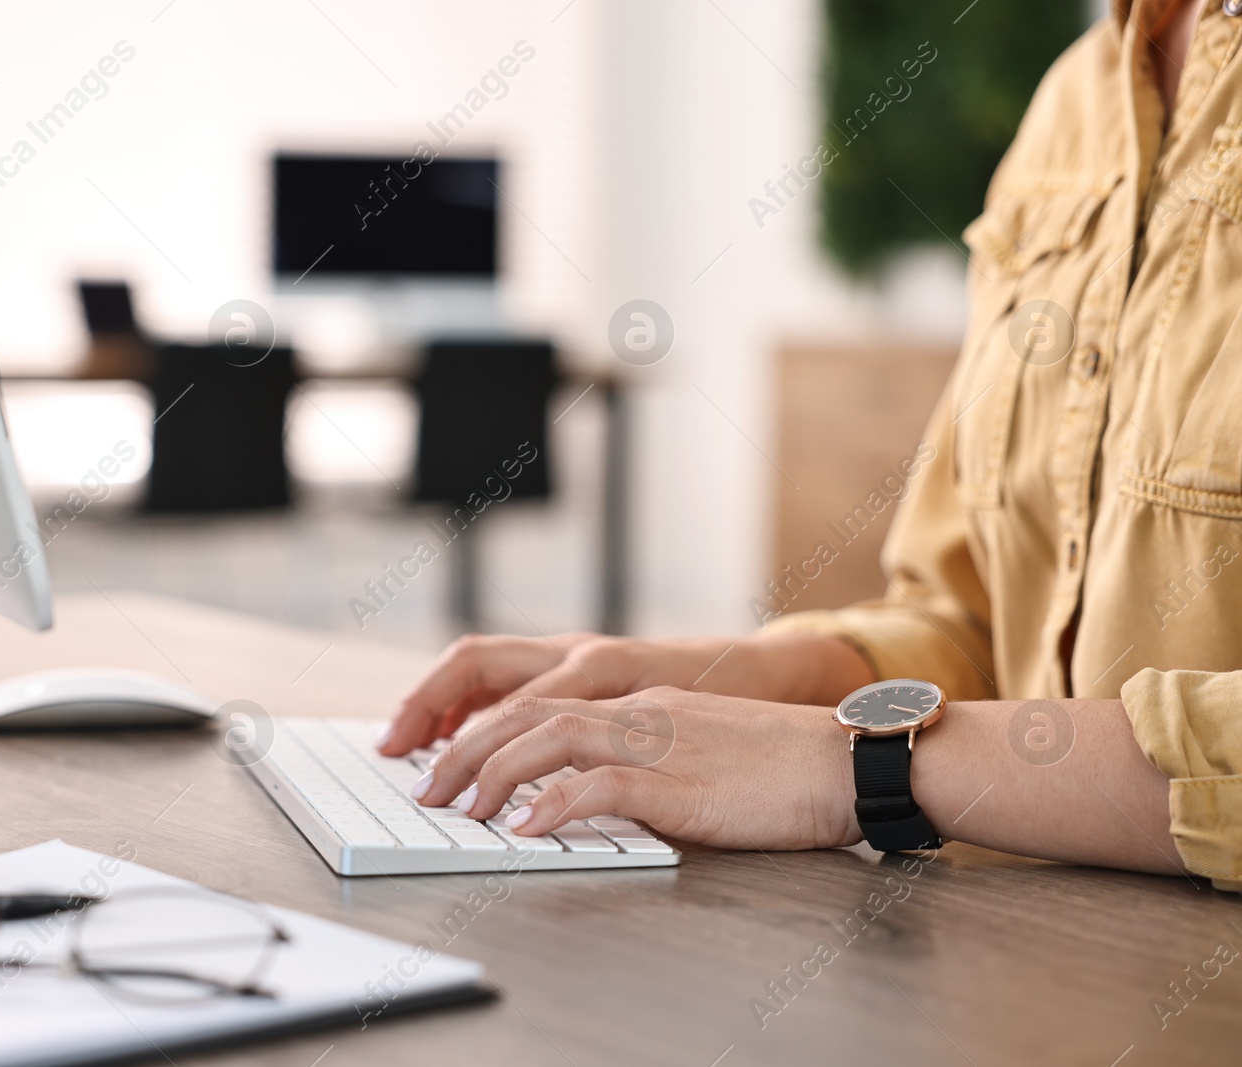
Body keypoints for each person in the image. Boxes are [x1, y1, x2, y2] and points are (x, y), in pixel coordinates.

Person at [380, 0, 1242, 891]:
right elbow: (976, 623)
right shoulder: (1077, 96)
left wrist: (853, 764)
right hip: (1024, 963)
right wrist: (739, 678)